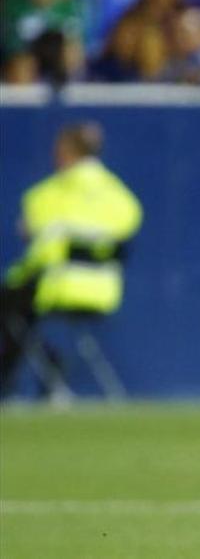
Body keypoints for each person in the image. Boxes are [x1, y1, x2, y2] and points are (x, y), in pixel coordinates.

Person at [0, 122, 142, 399]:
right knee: (17, 313)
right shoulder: (121, 196)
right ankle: (44, 368)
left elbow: (40, 255)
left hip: (56, 287)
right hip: (105, 292)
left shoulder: (46, 195)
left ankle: (19, 376)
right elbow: (127, 226)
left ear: (66, 152)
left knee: (11, 304)